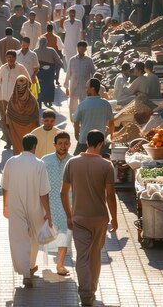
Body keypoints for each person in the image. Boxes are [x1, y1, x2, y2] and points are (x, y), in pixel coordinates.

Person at [61, 129, 118, 306]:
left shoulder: (72, 163)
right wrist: (114, 218)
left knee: (82, 256)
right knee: (95, 256)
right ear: (101, 144)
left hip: (79, 218)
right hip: (100, 219)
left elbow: (63, 193)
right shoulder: (107, 165)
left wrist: (69, 216)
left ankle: (85, 293)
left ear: (87, 142)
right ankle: (91, 289)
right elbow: (110, 195)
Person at [2, 134, 52, 288]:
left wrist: (5, 206)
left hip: (15, 205)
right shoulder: (39, 164)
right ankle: (30, 266)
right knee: (34, 238)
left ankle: (25, 272)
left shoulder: (11, 162)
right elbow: (44, 192)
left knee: (18, 238)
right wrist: (48, 213)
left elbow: (5, 187)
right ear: (34, 147)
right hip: (35, 206)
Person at [41, 132, 72, 276]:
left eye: (66, 143)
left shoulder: (73, 161)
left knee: (64, 234)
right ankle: (37, 262)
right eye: (60, 143)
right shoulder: (45, 161)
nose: (63, 146)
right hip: (49, 202)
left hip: (67, 203)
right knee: (47, 234)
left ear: (70, 144)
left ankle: (60, 265)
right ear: (54, 145)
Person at [0, 50, 30, 150]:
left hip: (16, 100)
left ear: (15, 58)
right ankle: (8, 141)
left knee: (15, 122)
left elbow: (28, 81)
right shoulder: (3, 68)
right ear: (6, 58)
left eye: (12, 57)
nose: (10, 59)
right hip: (3, 99)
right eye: (8, 57)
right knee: (3, 121)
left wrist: (23, 95)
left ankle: (16, 141)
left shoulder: (20, 68)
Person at [73, 78, 114, 155]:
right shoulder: (106, 104)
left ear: (93, 88)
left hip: (84, 140)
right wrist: (112, 136)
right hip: (100, 142)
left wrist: (76, 135)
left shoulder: (82, 105)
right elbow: (111, 122)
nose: (86, 90)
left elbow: (76, 121)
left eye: (87, 88)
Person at [7, 76, 40, 155]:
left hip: (29, 128)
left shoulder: (32, 100)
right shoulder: (12, 99)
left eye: (23, 83)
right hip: (15, 129)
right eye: (19, 83)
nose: (21, 86)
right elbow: (9, 113)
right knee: (17, 148)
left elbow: (35, 116)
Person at [64, 41, 95, 122]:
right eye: (79, 48)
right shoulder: (72, 60)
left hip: (85, 87)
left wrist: (93, 86)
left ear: (85, 49)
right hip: (74, 86)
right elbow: (68, 73)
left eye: (83, 48)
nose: (81, 50)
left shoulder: (89, 60)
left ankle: (83, 120)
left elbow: (94, 72)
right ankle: (73, 120)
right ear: (77, 48)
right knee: (72, 106)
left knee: (84, 104)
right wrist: (66, 87)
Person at [34, 36, 63, 107]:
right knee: (50, 85)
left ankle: (40, 101)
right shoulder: (51, 50)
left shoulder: (35, 51)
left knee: (40, 86)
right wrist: (61, 64)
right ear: (46, 42)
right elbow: (58, 60)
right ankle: (49, 100)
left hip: (39, 72)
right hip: (49, 72)